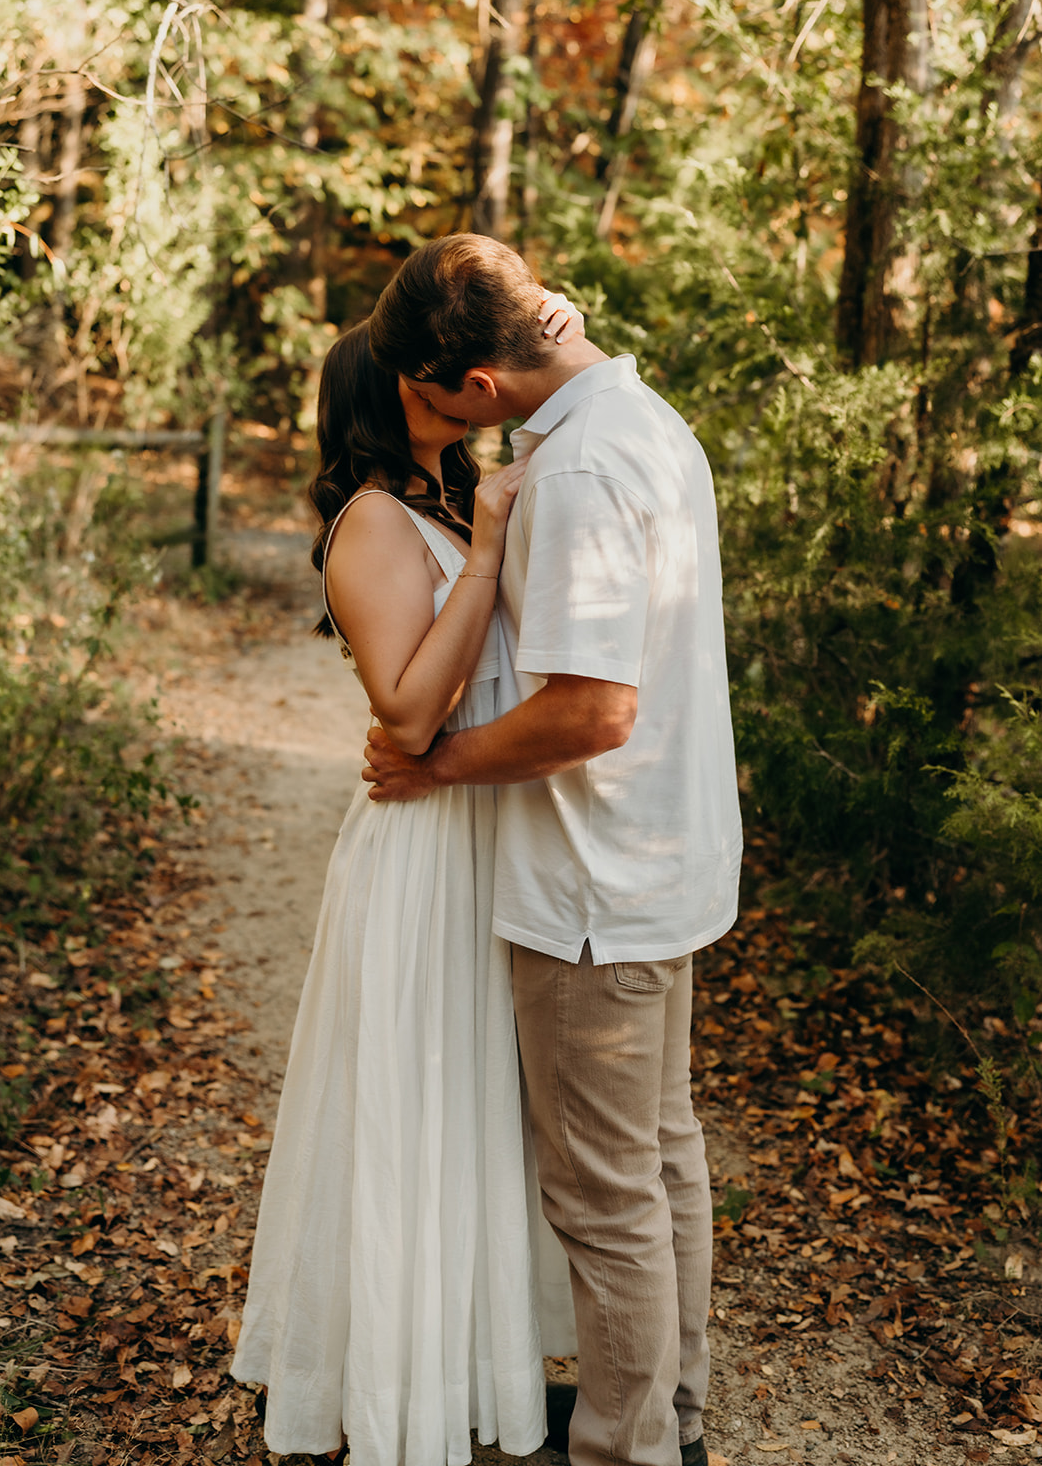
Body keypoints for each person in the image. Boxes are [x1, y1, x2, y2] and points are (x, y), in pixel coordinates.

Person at [365, 234, 743, 1466]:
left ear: (476, 385)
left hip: (592, 881)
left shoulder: (577, 469)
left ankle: (626, 1449)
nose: (432, 422)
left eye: (431, 397)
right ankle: (669, 1416)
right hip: (662, 861)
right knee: (658, 1157)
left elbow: (592, 710)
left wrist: (435, 767)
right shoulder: (639, 417)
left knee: (600, 1195)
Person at [230, 299, 578, 1465]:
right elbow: (412, 709)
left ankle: (469, 1367)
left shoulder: (442, 492)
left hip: (483, 830)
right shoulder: (374, 523)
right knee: (413, 1103)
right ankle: (391, 1387)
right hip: (422, 844)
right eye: (411, 370)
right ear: (382, 396)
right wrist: (483, 549)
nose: (438, 377)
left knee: (477, 1103)